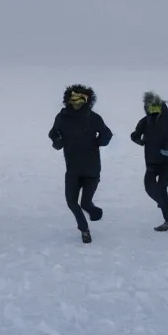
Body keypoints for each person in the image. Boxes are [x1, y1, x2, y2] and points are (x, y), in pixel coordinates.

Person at [48, 84, 112, 244]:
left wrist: (98, 142)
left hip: (91, 169)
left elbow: (106, 135)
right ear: (68, 100)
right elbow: (54, 136)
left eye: (80, 100)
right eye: (73, 99)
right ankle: (84, 229)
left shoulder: (94, 117)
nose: (76, 103)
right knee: (71, 202)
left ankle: (94, 211)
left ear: (87, 100)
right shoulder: (62, 117)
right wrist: (57, 142)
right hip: (73, 168)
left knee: (85, 202)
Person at [129, 91, 168, 231]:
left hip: (166, 164)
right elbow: (136, 135)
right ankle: (162, 203)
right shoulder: (144, 122)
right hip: (151, 164)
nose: (153, 110)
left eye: (156, 107)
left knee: (161, 189)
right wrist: (136, 139)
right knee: (149, 189)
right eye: (150, 107)